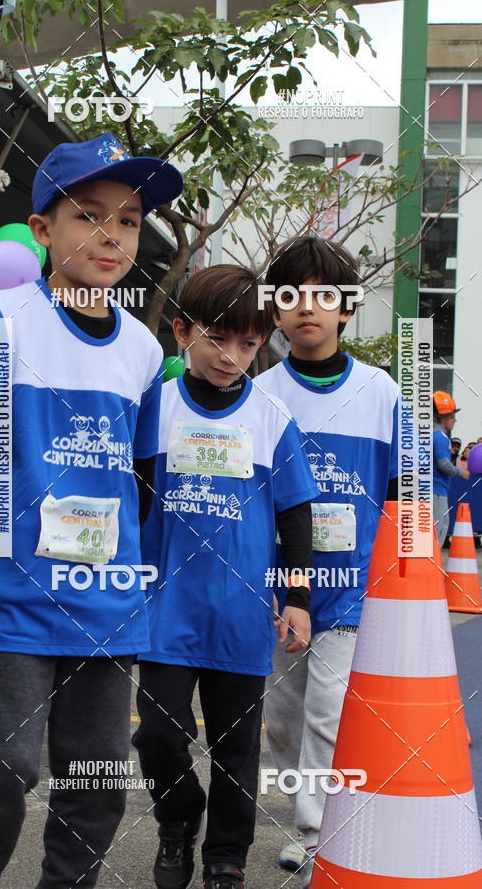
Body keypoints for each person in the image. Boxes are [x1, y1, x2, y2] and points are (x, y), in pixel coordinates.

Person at [0, 131, 184, 889]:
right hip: (12, 591)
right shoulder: (2, 323)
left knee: (95, 779)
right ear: (41, 230)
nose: (110, 235)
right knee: (10, 768)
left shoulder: (138, 347)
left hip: (108, 605)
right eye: (88, 215)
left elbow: (146, 473)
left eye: (127, 221)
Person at [133, 264, 318, 889]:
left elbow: (296, 514)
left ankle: (224, 858)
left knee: (237, 751)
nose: (233, 356)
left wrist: (296, 596)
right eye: (218, 338)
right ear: (183, 331)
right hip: (165, 610)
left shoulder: (271, 416)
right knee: (157, 734)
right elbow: (132, 501)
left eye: (248, 343)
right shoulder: (152, 408)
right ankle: (179, 817)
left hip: (240, 616)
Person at [253, 236, 402, 888]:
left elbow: (410, 492)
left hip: (349, 592)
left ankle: (317, 831)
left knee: (327, 710)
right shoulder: (258, 393)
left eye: (323, 294)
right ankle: (301, 812)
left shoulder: (383, 392)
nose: (306, 307)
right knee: (280, 719)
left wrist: (405, 583)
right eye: (290, 294)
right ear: (275, 309)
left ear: (346, 310)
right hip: (277, 591)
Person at [433, 390, 470, 547]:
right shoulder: (441, 438)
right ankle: (432, 569)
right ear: (443, 418)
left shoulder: (426, 434)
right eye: (452, 417)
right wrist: (462, 472)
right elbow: (444, 465)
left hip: (427, 490)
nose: (455, 421)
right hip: (436, 493)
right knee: (438, 530)